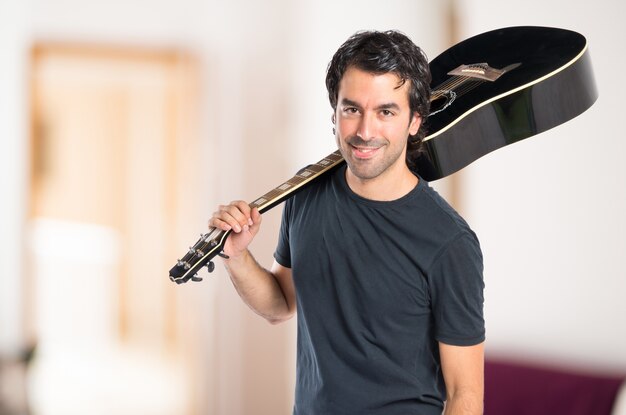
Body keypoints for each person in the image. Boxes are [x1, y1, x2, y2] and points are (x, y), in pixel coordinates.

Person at [210, 30, 485, 415]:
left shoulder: (449, 241)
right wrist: (237, 257)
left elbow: (465, 396)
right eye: (351, 109)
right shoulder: (306, 193)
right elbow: (280, 305)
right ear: (335, 112)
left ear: (414, 121)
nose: (364, 132)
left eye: (386, 112)